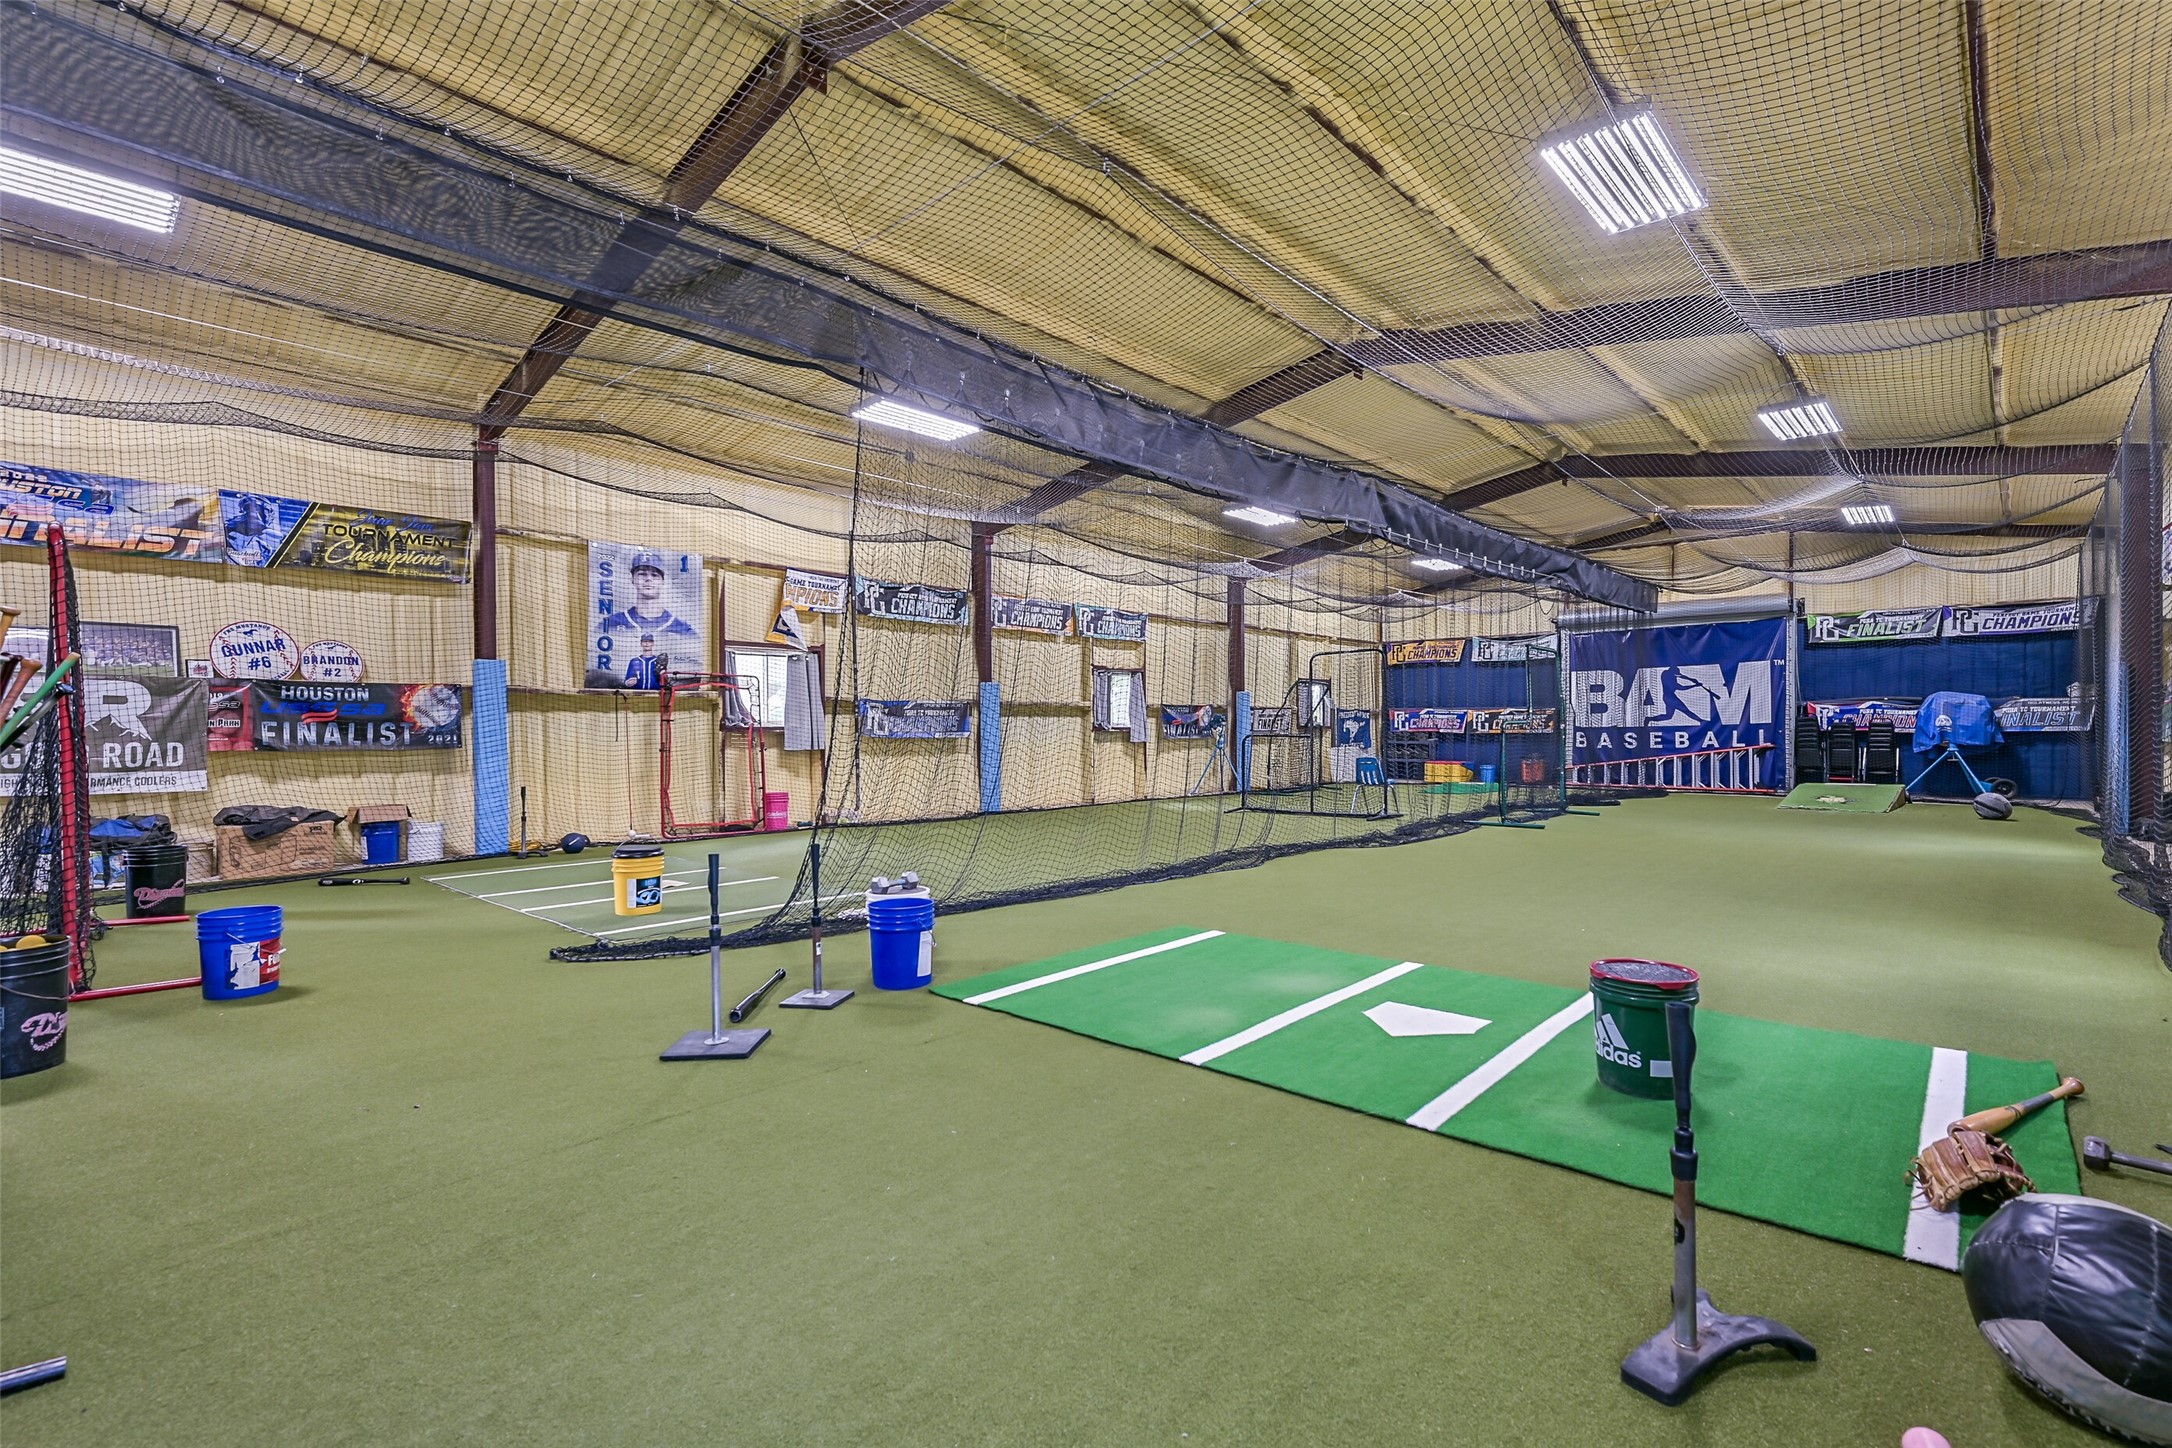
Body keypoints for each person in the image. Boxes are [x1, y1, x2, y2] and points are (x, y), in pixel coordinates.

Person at [600, 549, 699, 641]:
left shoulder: (682, 628)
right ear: (632, 579)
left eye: (654, 575)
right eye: (642, 574)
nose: (648, 579)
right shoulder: (613, 622)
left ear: (662, 581)